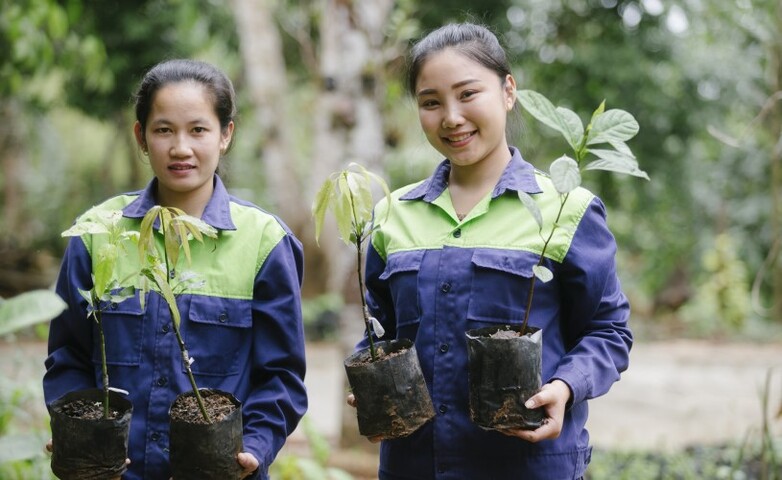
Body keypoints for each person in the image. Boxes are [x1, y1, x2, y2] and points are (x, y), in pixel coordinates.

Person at [352, 23, 632, 479]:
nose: (451, 117)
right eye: (430, 102)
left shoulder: (566, 208)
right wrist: (371, 379)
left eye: (467, 94)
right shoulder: (390, 215)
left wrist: (565, 387)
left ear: (507, 91)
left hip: (527, 463)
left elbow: (608, 330)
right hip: (416, 465)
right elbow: (380, 330)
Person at [43, 59, 308, 480]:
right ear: (141, 137)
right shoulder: (98, 232)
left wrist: (255, 446)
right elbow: (68, 354)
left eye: (198, 129)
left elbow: (280, 375)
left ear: (226, 135)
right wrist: (77, 428)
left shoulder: (264, 241)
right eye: (163, 129)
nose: (180, 147)